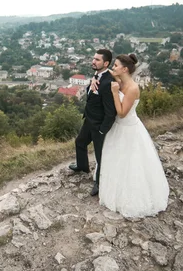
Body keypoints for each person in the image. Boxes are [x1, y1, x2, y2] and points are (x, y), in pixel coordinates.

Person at [99, 54, 169, 218]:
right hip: (117, 128)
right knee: (115, 161)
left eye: (116, 65)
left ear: (124, 69)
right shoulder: (119, 79)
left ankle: (133, 198)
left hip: (128, 128)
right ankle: (114, 193)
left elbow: (122, 113)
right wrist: (95, 80)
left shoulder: (132, 88)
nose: (113, 68)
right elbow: (102, 73)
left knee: (131, 163)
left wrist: (115, 93)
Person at [69, 49, 117, 196]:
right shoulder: (98, 75)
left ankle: (99, 182)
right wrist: (92, 82)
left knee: (99, 155)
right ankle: (83, 166)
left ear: (106, 63)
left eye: (97, 60)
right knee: (80, 142)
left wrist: (103, 130)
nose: (93, 61)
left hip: (98, 126)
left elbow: (111, 112)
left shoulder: (109, 82)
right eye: (93, 58)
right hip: (89, 120)